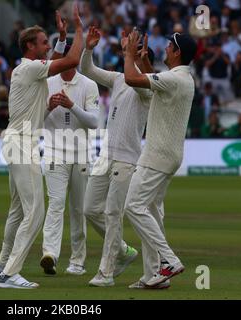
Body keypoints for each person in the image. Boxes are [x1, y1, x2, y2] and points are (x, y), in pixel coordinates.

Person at [0, 5, 85, 289]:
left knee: (18, 210)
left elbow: (55, 59)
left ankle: (1, 266)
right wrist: (78, 29)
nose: (48, 45)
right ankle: (11, 274)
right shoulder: (30, 68)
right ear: (30, 46)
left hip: (16, 140)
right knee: (35, 212)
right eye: (44, 42)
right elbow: (70, 61)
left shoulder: (28, 69)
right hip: (21, 144)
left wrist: (62, 39)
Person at [80, 27, 154, 287]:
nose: (124, 55)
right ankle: (122, 251)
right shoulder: (117, 79)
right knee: (89, 209)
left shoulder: (147, 85)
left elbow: (136, 79)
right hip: (106, 155)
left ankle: (106, 272)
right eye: (123, 51)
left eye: (128, 52)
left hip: (126, 159)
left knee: (113, 213)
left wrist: (131, 53)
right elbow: (87, 70)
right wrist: (88, 48)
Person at [122, 31, 197, 288]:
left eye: (169, 46)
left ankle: (169, 260)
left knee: (133, 206)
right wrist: (144, 62)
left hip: (157, 155)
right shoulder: (182, 78)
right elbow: (156, 83)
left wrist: (128, 53)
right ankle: (154, 275)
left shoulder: (174, 79)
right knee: (151, 212)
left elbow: (131, 79)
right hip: (168, 155)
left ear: (177, 52)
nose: (165, 48)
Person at [39, 44, 99, 276]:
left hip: (81, 154)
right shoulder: (47, 83)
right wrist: (48, 107)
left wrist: (71, 106)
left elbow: (94, 122)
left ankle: (77, 260)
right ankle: (50, 254)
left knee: (78, 209)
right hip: (54, 152)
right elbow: (37, 120)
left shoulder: (88, 85)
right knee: (55, 204)